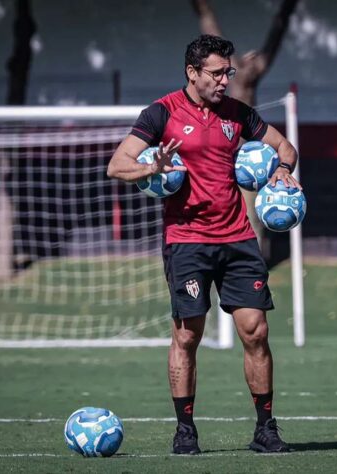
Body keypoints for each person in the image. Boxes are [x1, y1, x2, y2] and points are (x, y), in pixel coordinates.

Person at [107, 34, 299, 454]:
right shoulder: (161, 113)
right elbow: (117, 165)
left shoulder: (238, 115)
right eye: (216, 73)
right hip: (187, 242)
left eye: (228, 72)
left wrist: (282, 169)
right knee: (188, 336)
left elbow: (285, 146)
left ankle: (266, 429)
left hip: (238, 238)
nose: (224, 80)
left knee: (256, 331)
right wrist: (151, 168)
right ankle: (185, 430)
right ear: (192, 73)